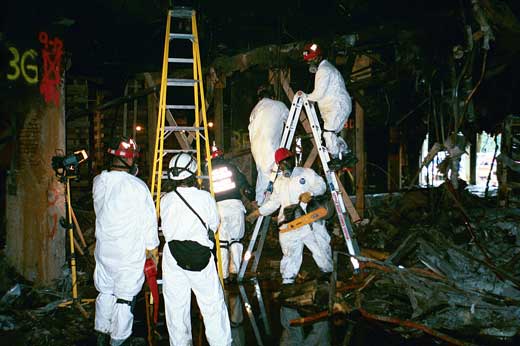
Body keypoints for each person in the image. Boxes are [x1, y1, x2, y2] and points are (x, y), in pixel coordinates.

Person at [93, 136, 159, 346]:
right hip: (128, 253)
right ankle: (118, 340)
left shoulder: (99, 182)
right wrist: (152, 249)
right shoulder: (137, 186)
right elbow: (149, 222)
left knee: (106, 291)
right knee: (124, 297)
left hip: (104, 250)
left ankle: (101, 333)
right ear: (129, 161)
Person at [160, 153, 232, 346]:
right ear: (193, 172)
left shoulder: (165, 199)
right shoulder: (205, 197)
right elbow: (214, 224)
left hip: (172, 256)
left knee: (176, 308)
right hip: (200, 256)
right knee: (212, 306)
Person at [246, 148, 333, 285]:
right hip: (289, 224)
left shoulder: (305, 174)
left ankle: (327, 276)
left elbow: (321, 185)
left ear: (292, 159)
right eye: (281, 163)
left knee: (321, 249)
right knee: (290, 254)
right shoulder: (279, 182)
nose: (284, 165)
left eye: (286, 161)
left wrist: (310, 193)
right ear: (278, 165)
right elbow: (274, 203)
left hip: (309, 221)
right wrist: (257, 213)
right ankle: (287, 282)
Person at [303, 42, 357, 170]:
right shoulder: (325, 69)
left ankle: (336, 159)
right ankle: (347, 154)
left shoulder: (324, 70)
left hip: (337, 106)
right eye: (308, 61)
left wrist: (303, 96)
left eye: (312, 60)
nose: (310, 63)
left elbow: (318, 94)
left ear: (318, 57)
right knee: (332, 135)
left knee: (328, 134)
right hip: (336, 106)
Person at [211, 147, 254, 283]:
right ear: (222, 157)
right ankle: (235, 272)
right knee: (235, 241)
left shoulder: (208, 172)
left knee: (222, 243)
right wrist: (252, 198)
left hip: (219, 209)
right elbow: (244, 186)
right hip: (235, 207)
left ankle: (223, 276)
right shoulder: (231, 167)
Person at [248, 84, 289, 205]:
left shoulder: (255, 110)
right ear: (272, 95)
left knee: (263, 176)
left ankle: (260, 204)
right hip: (270, 147)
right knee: (278, 178)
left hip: (256, 149)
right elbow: (290, 121)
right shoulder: (279, 105)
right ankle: (281, 205)